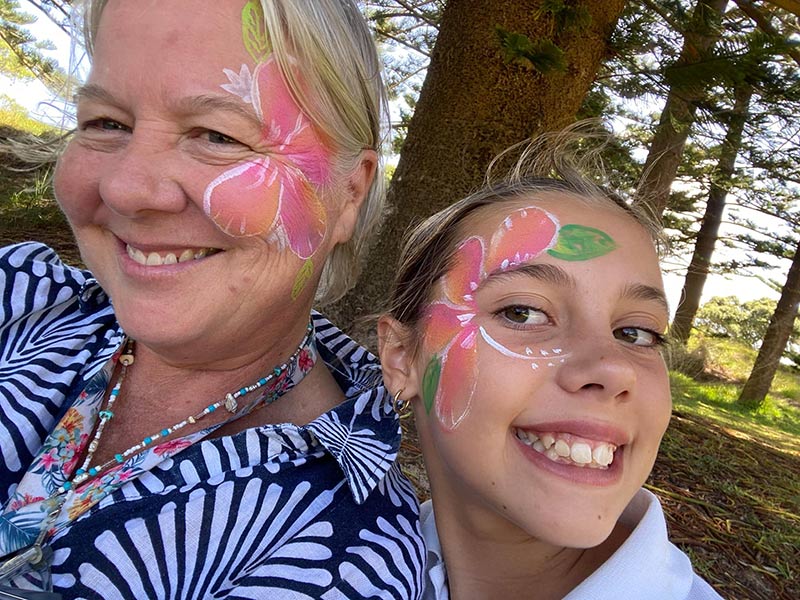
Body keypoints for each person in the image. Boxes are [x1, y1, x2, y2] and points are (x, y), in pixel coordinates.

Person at [0, 1, 425, 597]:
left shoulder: (338, 554)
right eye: (106, 123)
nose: (127, 188)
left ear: (349, 192)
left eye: (218, 136)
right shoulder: (24, 298)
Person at [377, 131, 724, 599]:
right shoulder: (323, 564)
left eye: (635, 333)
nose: (613, 368)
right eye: (523, 312)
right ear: (401, 358)